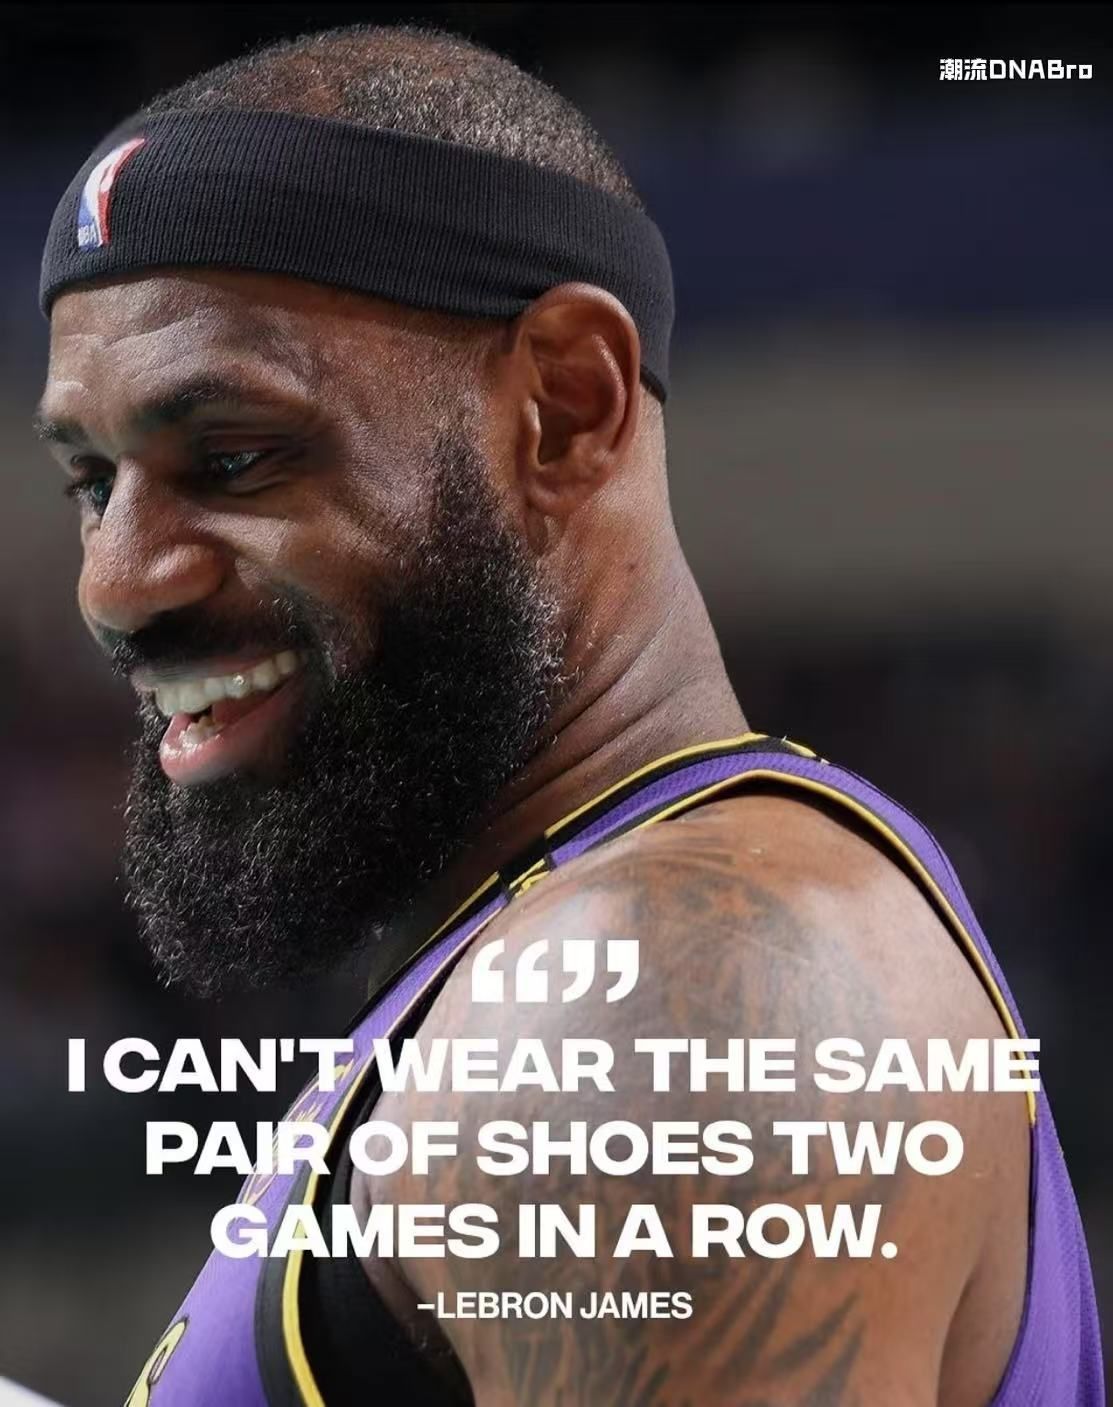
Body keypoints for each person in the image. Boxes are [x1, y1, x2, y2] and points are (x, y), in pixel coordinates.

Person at [35, 23, 1102, 1407]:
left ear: (566, 407)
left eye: (235, 458)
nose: (116, 584)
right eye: (92, 484)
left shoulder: (656, 992)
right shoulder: (565, 960)